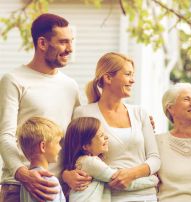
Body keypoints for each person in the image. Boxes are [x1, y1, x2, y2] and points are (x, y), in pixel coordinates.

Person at [0, 13, 84, 202]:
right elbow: (5, 135)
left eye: (72, 41)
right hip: (18, 185)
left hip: (57, 187)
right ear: (42, 43)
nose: (70, 49)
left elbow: (78, 134)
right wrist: (22, 173)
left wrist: (136, 118)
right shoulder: (13, 80)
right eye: (63, 42)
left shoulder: (70, 85)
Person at [63, 52, 161, 202]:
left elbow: (155, 159)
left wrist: (131, 174)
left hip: (145, 195)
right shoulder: (83, 113)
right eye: (128, 74)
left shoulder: (140, 113)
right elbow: (72, 156)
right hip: (109, 197)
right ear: (108, 78)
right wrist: (66, 175)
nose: (133, 80)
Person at [63, 117, 159, 202]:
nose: (106, 137)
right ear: (85, 146)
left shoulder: (85, 162)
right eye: (101, 135)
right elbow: (121, 181)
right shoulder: (90, 163)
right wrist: (153, 179)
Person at [17, 117, 66, 202]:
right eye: (57, 142)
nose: (60, 147)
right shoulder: (49, 181)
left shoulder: (25, 184)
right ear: (43, 146)